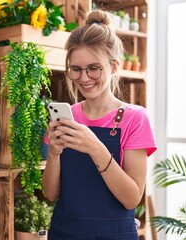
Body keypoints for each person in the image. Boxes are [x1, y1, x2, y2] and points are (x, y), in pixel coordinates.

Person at [42, 9, 157, 240]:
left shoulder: (135, 118)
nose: (84, 78)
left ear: (113, 67)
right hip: (64, 233)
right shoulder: (67, 117)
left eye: (94, 68)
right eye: (76, 69)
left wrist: (94, 147)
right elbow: (50, 194)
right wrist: (54, 153)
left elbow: (131, 198)